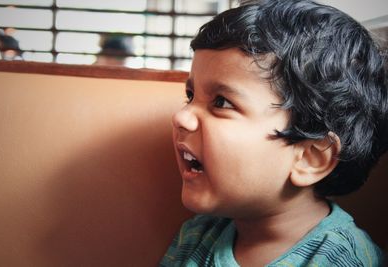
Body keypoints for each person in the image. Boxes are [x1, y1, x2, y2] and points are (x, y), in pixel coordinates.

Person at [160, 0, 387, 266]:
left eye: (221, 102)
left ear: (310, 157)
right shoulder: (197, 235)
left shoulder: (342, 259)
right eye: (190, 96)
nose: (181, 117)